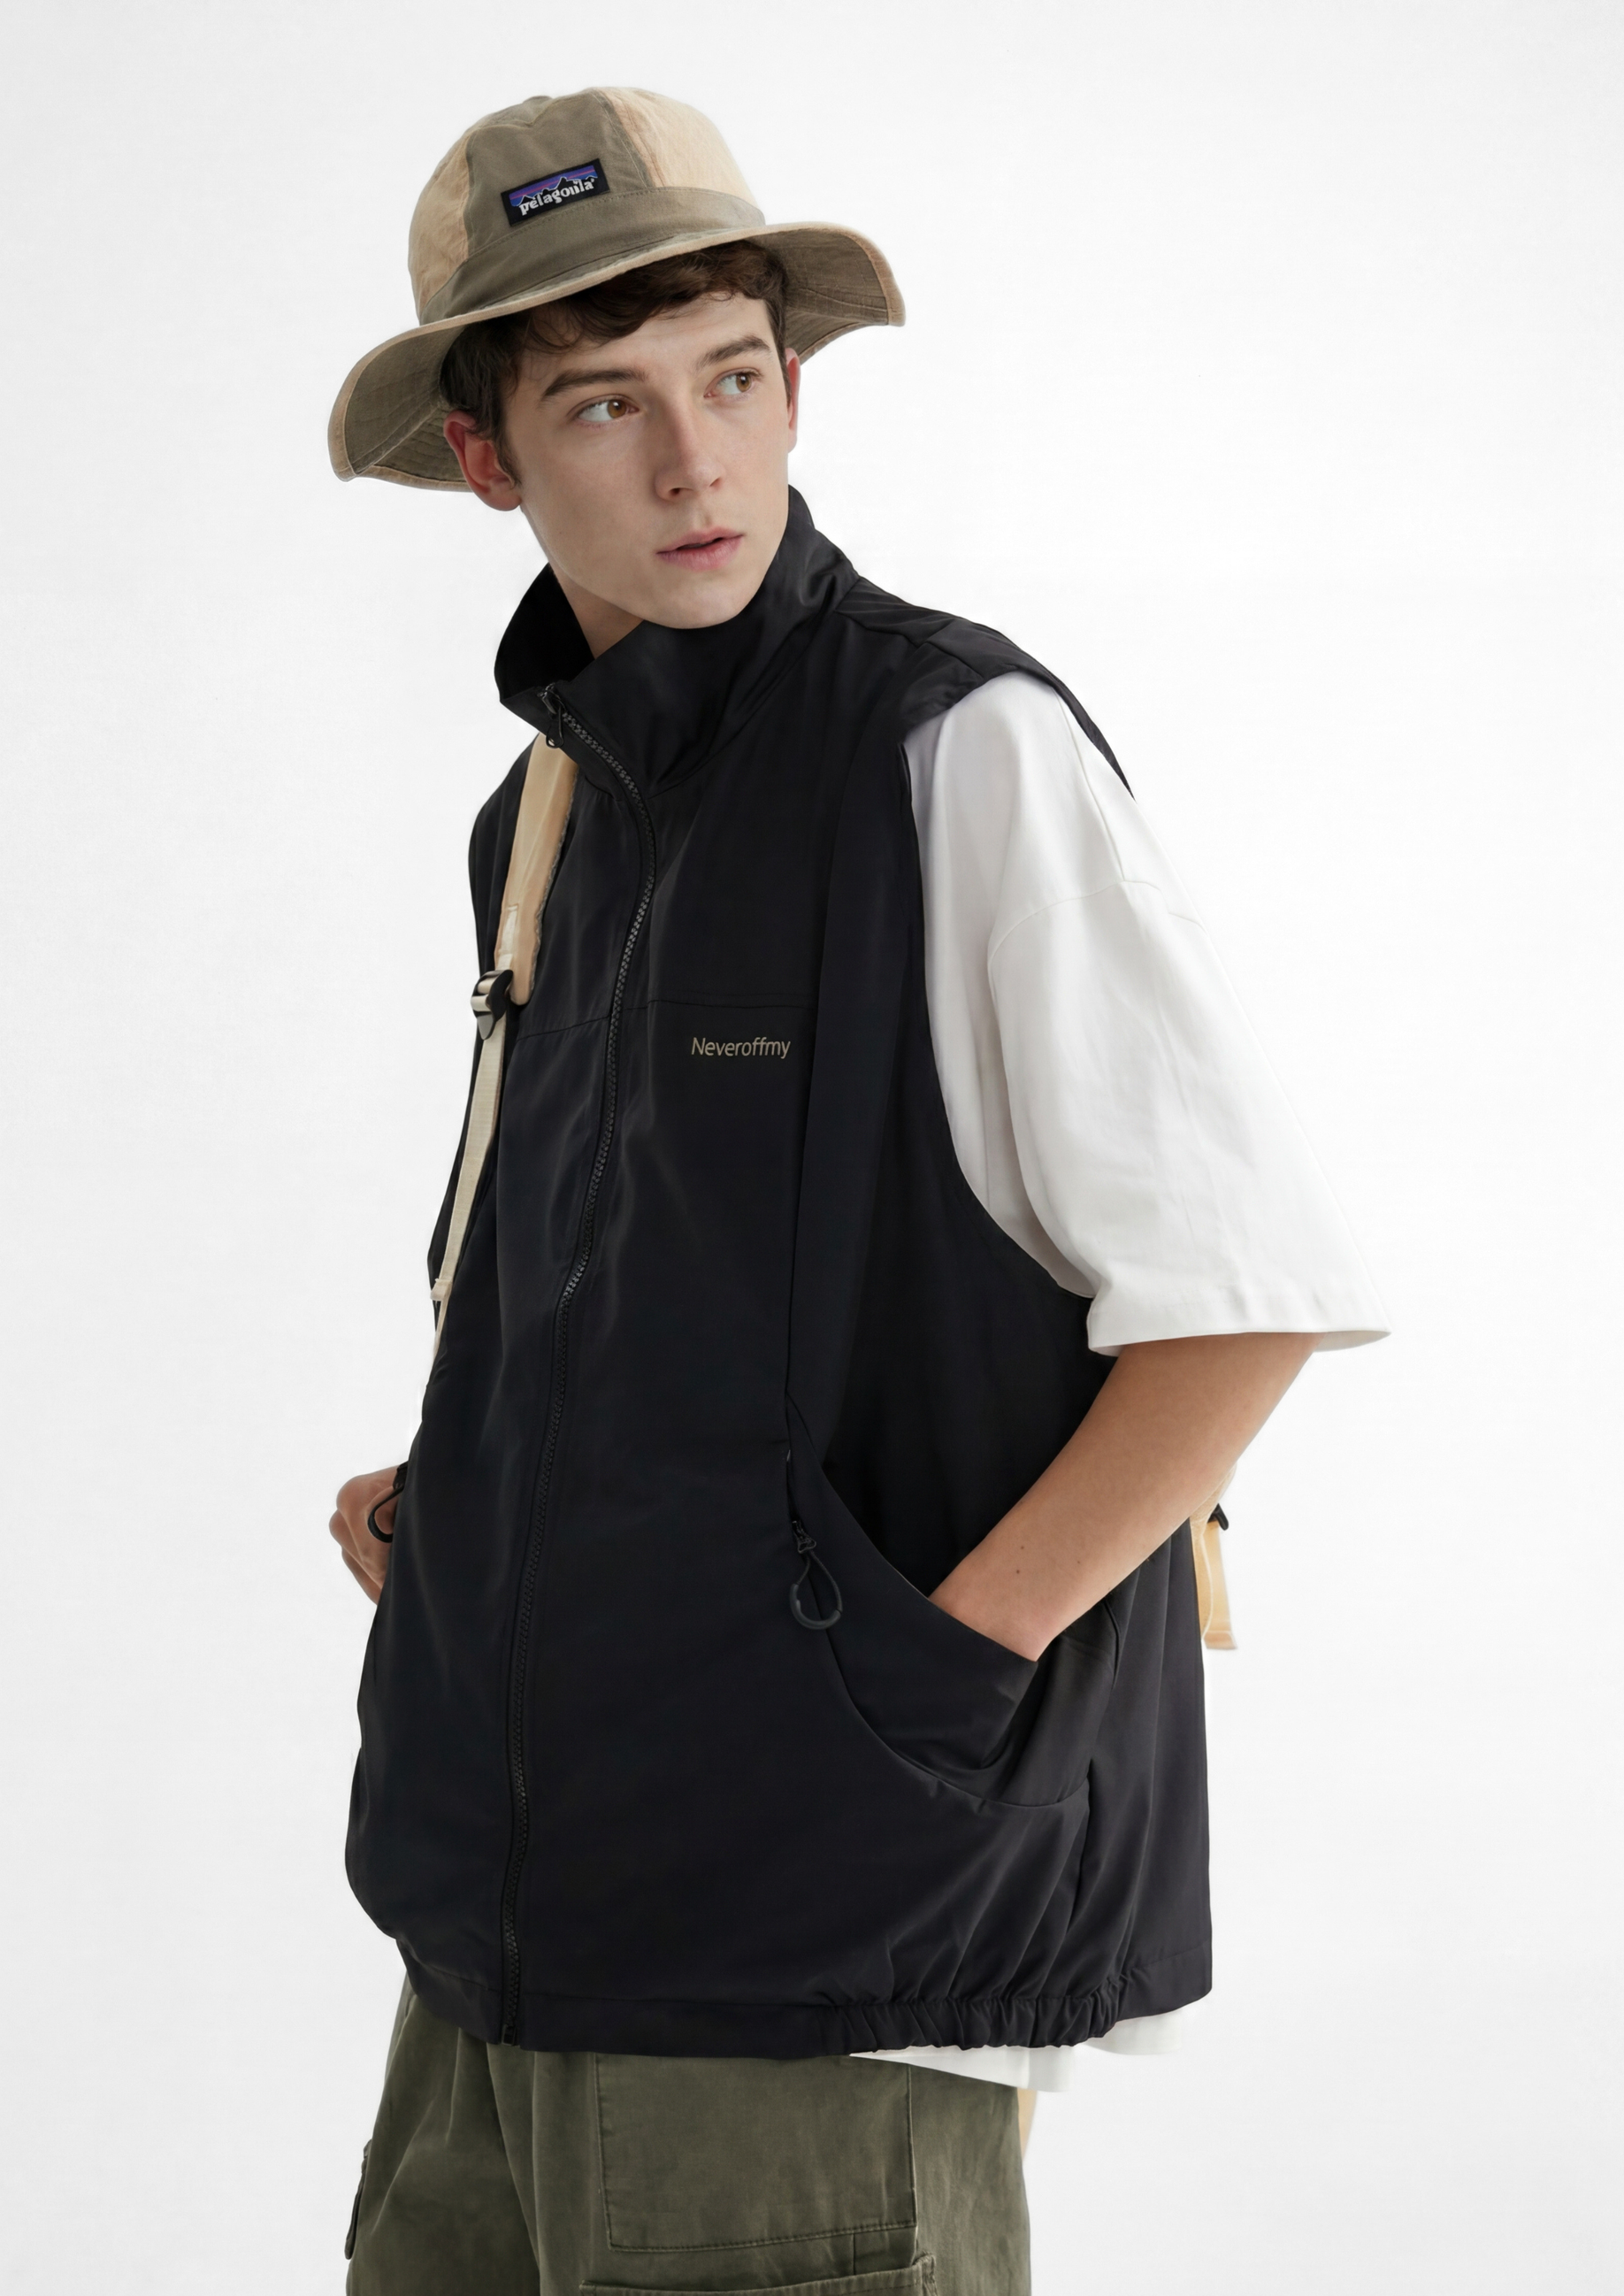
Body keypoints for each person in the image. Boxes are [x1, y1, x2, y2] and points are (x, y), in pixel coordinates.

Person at [324, 87, 1387, 2296]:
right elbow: (668, 1295)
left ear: (795, 389)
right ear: (488, 458)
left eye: (731, 380)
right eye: (604, 407)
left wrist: (917, 1680)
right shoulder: (544, 817)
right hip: (505, 1922)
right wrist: (482, 1507)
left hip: (818, 1936)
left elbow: (1240, 1295)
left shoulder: (951, 748)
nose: (692, 464)